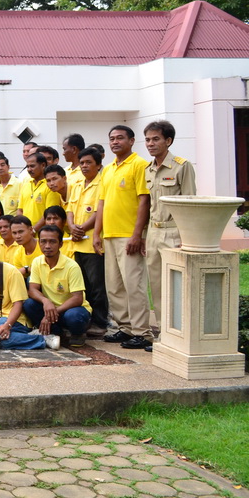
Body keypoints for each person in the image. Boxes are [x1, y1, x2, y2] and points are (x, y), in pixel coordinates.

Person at [94, 125, 152, 351]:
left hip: (129, 236)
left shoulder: (139, 165)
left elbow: (144, 200)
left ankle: (142, 332)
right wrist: (97, 233)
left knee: (133, 285)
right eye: (111, 138)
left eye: (120, 138)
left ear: (131, 141)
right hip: (110, 234)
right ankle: (125, 327)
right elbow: (102, 203)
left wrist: (137, 234)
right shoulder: (108, 169)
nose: (115, 142)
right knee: (115, 286)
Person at [144, 120, 196, 343]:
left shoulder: (181, 166)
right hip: (153, 234)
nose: (150, 143)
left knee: (177, 286)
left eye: (156, 139)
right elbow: (149, 206)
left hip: (174, 233)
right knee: (156, 286)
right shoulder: (149, 169)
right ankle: (165, 333)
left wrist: (188, 238)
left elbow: (191, 204)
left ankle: (180, 333)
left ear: (168, 140)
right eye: (147, 139)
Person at [24, 226, 92, 349]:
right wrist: (46, 301)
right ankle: (55, 331)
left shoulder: (72, 266)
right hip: (50, 310)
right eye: (43, 241)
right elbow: (32, 289)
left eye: (52, 241)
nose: (47, 246)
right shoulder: (37, 262)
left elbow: (77, 298)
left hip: (70, 309)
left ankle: (78, 333)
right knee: (28, 304)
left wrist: (53, 312)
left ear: (60, 244)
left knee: (74, 317)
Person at [66, 147, 109, 336]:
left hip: (93, 242)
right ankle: (86, 319)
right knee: (82, 285)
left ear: (98, 165)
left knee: (97, 285)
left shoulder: (103, 183)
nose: (84, 166)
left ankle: (100, 322)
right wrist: (71, 226)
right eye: (82, 162)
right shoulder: (76, 184)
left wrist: (82, 228)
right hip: (76, 243)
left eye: (89, 162)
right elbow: (70, 209)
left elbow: (101, 211)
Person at [18, 152, 59, 230]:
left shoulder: (50, 186)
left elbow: (49, 214)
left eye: (32, 166)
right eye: (28, 167)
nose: (29, 169)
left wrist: (33, 230)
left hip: (43, 233)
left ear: (43, 165)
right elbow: (20, 210)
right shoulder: (26, 185)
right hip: (27, 234)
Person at [9, 215, 42, 280]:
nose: (17, 236)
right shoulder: (18, 253)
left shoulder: (44, 246)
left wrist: (26, 269)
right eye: (14, 233)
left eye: (21, 232)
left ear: (31, 230)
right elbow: (16, 276)